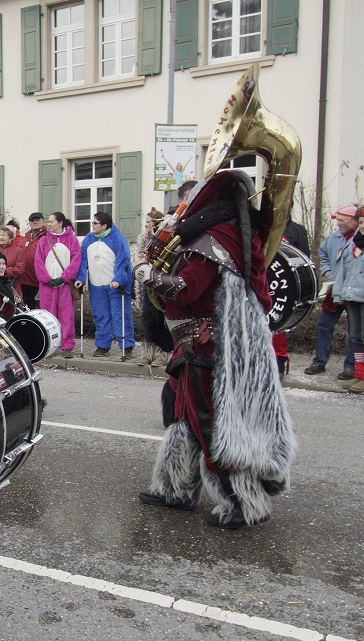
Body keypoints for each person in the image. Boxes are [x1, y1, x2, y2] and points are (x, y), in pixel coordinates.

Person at [134, 170, 294, 529]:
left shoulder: (213, 240)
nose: (184, 206)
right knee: (182, 416)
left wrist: (146, 272)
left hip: (203, 346)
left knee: (208, 422)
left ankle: (243, 500)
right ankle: (175, 486)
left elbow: (186, 288)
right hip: (193, 344)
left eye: (191, 199)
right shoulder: (222, 235)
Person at [304, 204, 358, 378]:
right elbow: (323, 253)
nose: (338, 224)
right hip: (334, 288)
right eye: (338, 220)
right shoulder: (334, 237)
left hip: (352, 291)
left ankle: (350, 366)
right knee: (324, 325)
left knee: (354, 331)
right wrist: (326, 270)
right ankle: (319, 361)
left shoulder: (359, 238)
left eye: (342, 220)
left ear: (353, 220)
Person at [75, 212, 135, 358]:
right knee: (100, 316)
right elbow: (83, 261)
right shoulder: (89, 239)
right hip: (96, 285)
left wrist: (119, 279)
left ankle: (126, 346)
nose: (92, 225)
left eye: (95, 223)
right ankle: (102, 345)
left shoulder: (117, 239)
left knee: (120, 316)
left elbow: (124, 261)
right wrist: (81, 278)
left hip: (114, 285)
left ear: (104, 225)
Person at [34, 212, 81, 357]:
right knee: (48, 315)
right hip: (47, 286)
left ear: (60, 223)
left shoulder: (72, 240)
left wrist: (65, 278)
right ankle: (49, 344)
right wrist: (46, 279)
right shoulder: (44, 240)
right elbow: (38, 261)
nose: (49, 224)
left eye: (51, 221)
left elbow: (76, 261)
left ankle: (67, 344)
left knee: (66, 315)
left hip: (65, 285)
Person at [270, 214, 311, 378]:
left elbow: (304, 257)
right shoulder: (262, 225)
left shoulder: (297, 230)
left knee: (279, 321)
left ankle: (279, 361)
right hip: (265, 276)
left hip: (285, 281)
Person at [331, 206, 364, 393]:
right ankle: (359, 374)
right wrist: (338, 293)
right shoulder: (353, 244)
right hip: (352, 296)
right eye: (360, 222)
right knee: (356, 337)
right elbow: (343, 271)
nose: (363, 226)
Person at [134, 208, 169, 368]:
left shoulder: (165, 237)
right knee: (148, 320)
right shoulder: (143, 239)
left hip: (159, 282)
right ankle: (147, 353)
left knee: (160, 321)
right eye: (146, 222)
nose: (146, 225)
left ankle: (162, 354)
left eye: (149, 222)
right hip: (146, 283)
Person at [19, 213, 47, 308]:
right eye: (32, 220)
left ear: (43, 221)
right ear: (29, 223)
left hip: (39, 280)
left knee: (40, 308)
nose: (35, 222)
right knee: (27, 308)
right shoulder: (25, 238)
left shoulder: (47, 237)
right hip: (24, 280)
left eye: (37, 220)